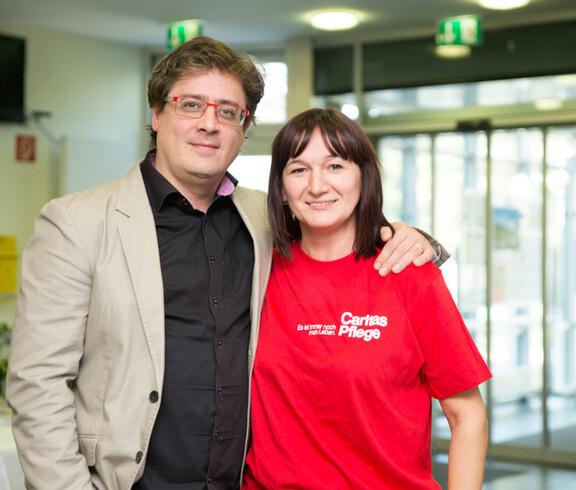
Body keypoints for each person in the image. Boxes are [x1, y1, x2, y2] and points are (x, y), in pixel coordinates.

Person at [6, 38, 444, 490]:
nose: (209, 124)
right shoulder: (77, 222)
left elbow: (338, 232)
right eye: (191, 105)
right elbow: (37, 384)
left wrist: (413, 240)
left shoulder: (266, 219)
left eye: (228, 111)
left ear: (244, 127)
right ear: (157, 115)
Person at [243, 108, 492, 490]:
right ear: (281, 188)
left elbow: (467, 416)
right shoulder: (257, 271)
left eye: (335, 166)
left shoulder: (408, 274)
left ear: (364, 178)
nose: (317, 185)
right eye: (298, 169)